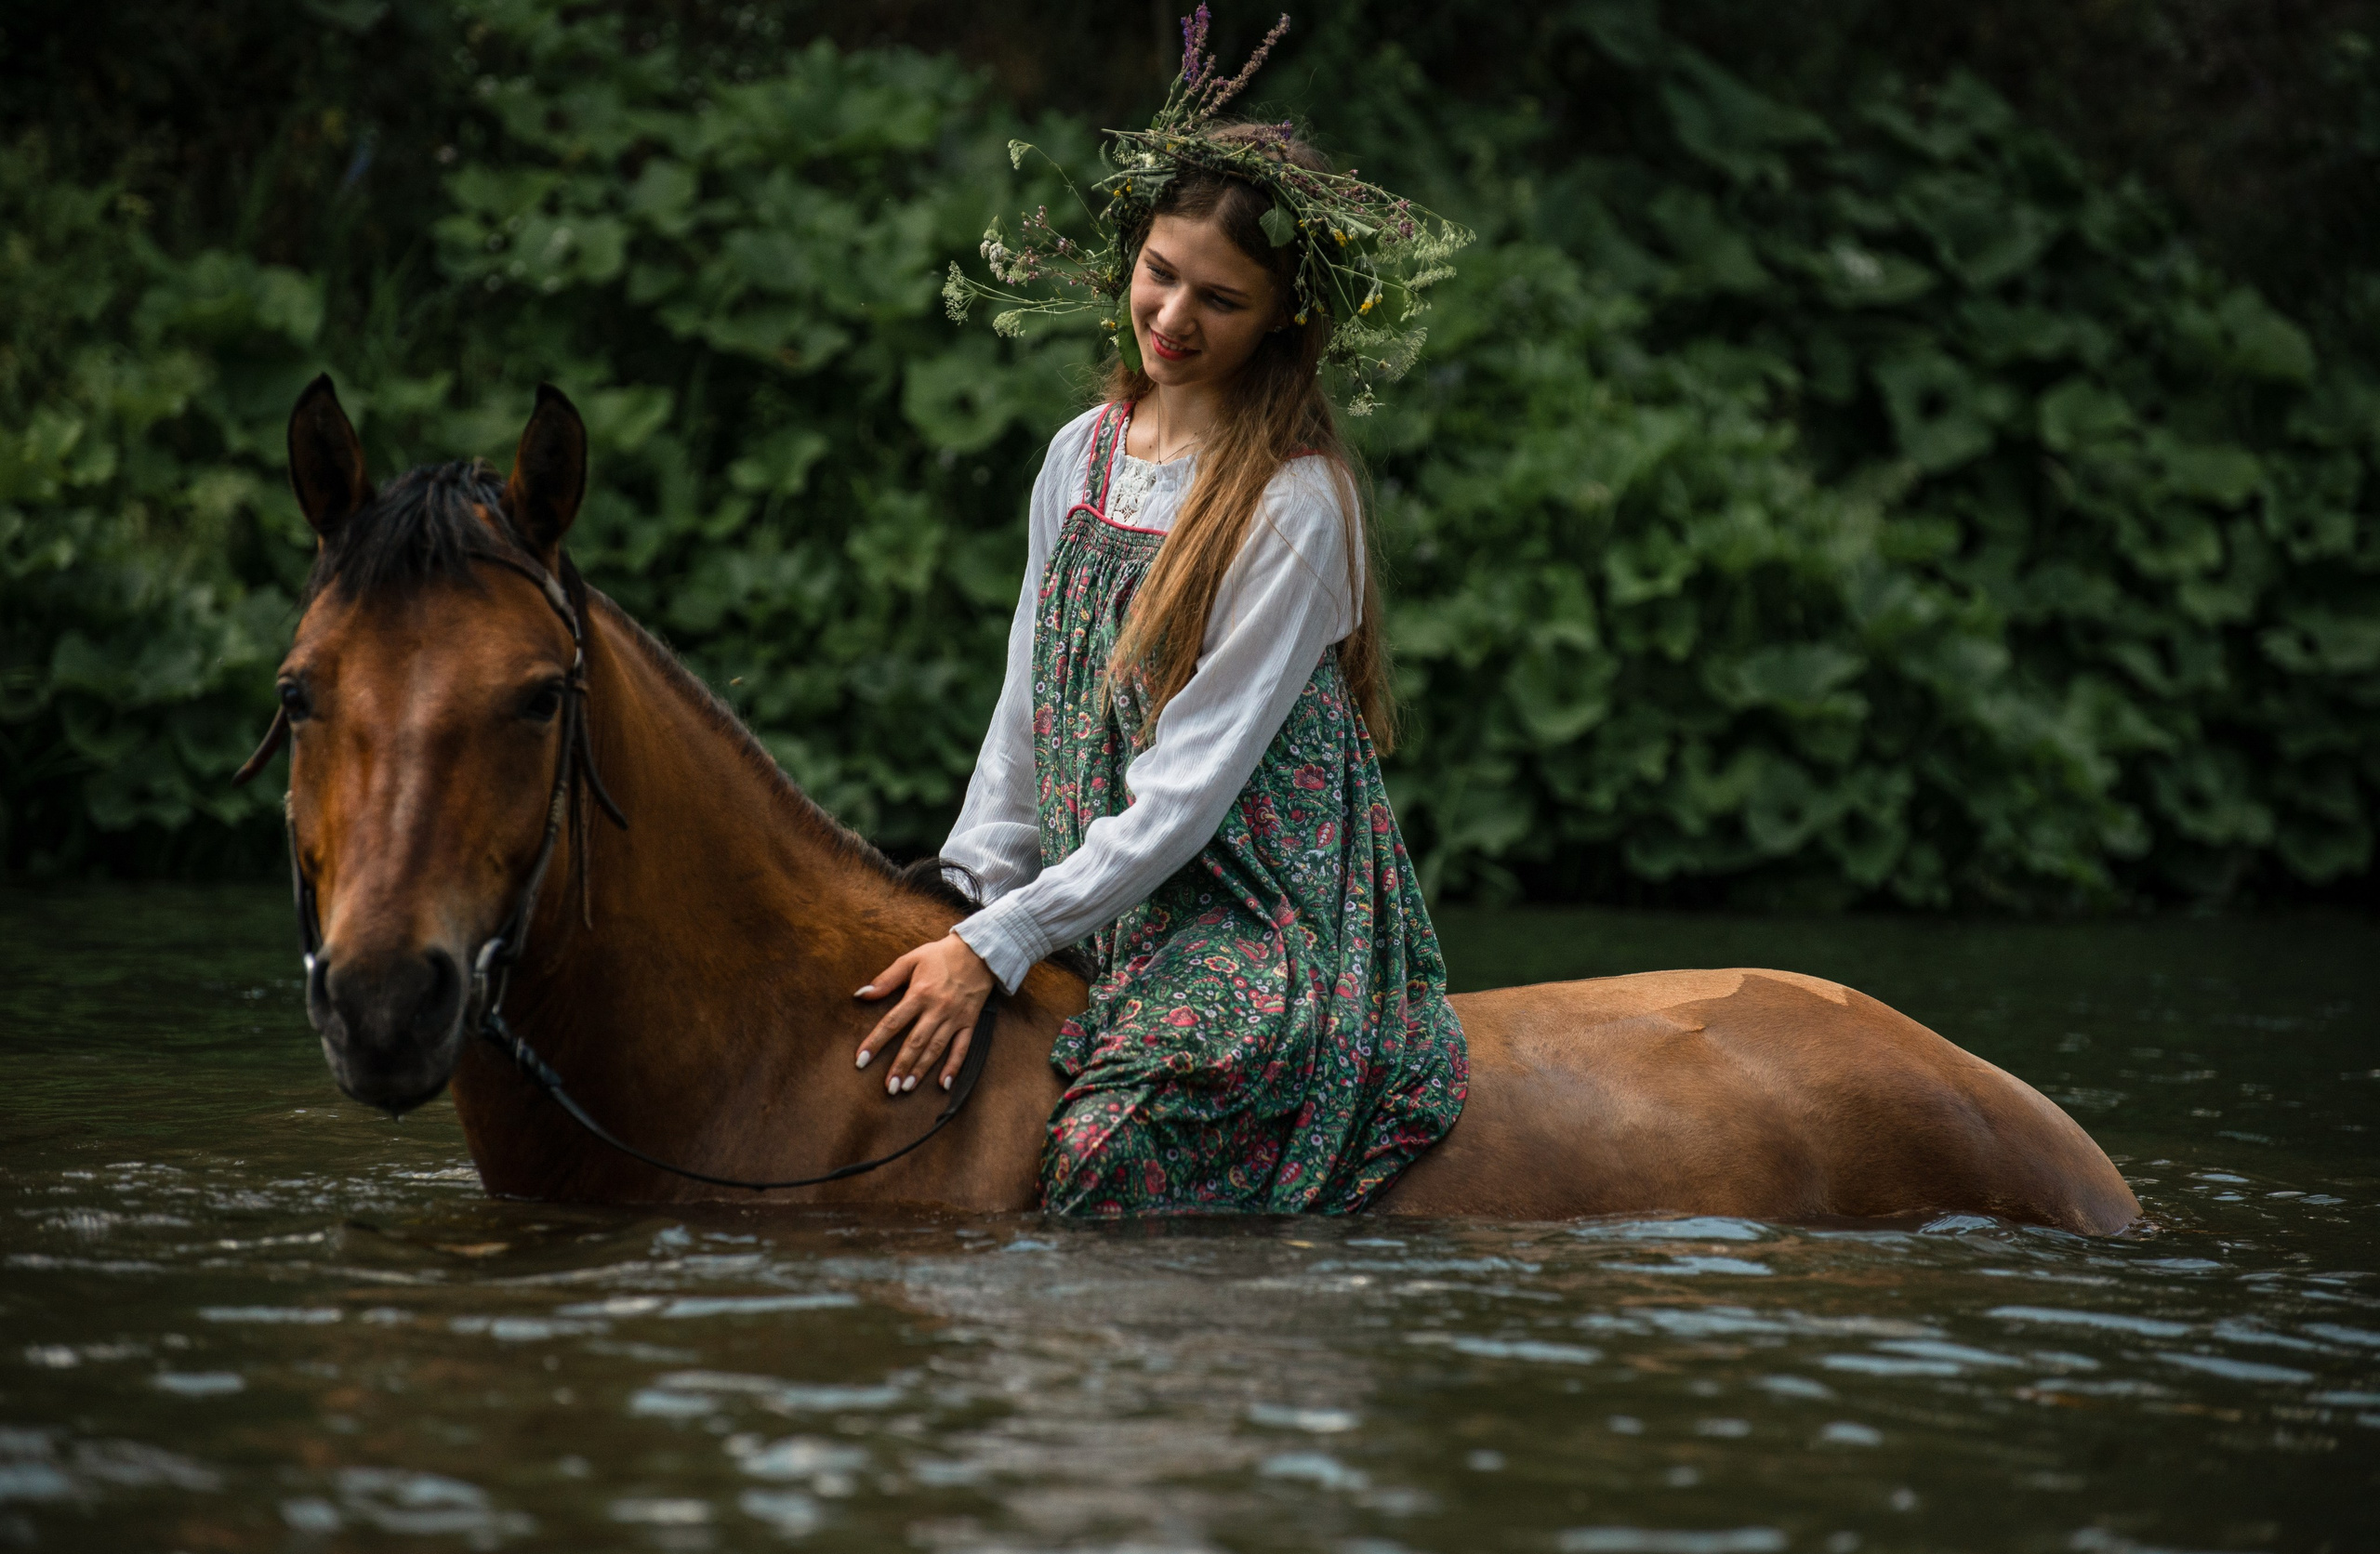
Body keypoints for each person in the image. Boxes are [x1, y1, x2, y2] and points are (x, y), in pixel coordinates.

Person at [850, 13, 1472, 1214]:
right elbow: (1026, 710)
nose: (1175, 318)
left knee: (1097, 1159)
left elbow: (1190, 793)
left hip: (1249, 917)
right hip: (1102, 905)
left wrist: (1010, 941)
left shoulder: (1295, 502)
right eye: (1160, 273)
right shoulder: (1077, 455)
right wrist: (971, 899)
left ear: (1287, 320)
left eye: (1223, 300)